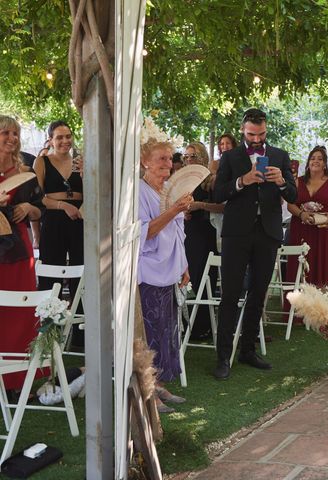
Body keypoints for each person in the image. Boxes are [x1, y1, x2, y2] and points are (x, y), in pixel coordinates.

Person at [211, 108, 296, 380]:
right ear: (242, 131)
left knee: (258, 294)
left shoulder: (281, 156)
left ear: (266, 130)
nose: (256, 139)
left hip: (268, 233)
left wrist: (282, 182)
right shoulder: (230, 157)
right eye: (251, 134)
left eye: (261, 134)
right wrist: (241, 181)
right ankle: (223, 356)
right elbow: (218, 192)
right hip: (237, 233)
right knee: (230, 294)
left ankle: (247, 349)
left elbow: (294, 194)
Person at [138, 126, 192, 413]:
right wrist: (173, 210)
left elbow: (178, 231)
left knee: (166, 329)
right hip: (147, 271)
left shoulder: (169, 190)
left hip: (169, 268)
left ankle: (158, 385)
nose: (168, 164)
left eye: (170, 159)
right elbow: (145, 232)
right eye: (161, 159)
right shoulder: (139, 191)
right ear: (145, 161)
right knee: (149, 332)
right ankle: (149, 391)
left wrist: (184, 264)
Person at [0, 115, 47, 393]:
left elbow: (41, 209)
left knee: (21, 311)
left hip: (19, 251)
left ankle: (20, 380)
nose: (12, 138)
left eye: (15, 134)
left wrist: (29, 209)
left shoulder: (25, 170)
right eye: (5, 133)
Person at [33, 120, 84, 346]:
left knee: (81, 271)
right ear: (51, 140)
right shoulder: (42, 161)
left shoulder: (81, 161)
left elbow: (95, 190)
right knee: (50, 272)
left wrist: (85, 176)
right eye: (59, 137)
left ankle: (81, 333)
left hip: (80, 221)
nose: (65, 141)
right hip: (53, 220)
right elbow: (37, 197)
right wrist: (63, 206)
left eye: (68, 136)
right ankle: (48, 330)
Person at [287, 146, 328, 287]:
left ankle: (325, 303)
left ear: (325, 164)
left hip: (326, 231)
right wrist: (301, 214)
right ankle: (298, 302)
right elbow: (290, 205)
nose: (316, 161)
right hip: (301, 230)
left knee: (326, 264)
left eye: (320, 159)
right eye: (313, 158)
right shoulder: (298, 182)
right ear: (308, 163)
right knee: (301, 264)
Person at [182, 141, 223, 339]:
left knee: (203, 278)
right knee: (188, 276)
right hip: (187, 232)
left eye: (193, 156)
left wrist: (199, 205)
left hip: (206, 232)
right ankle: (187, 323)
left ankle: (203, 325)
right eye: (186, 156)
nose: (189, 159)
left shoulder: (210, 180)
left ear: (203, 157)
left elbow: (222, 206)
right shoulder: (182, 180)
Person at [209, 133, 238, 250]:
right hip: (220, 199)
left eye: (227, 143)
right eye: (222, 144)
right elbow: (213, 183)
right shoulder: (215, 163)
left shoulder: (239, 162)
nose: (224, 146)